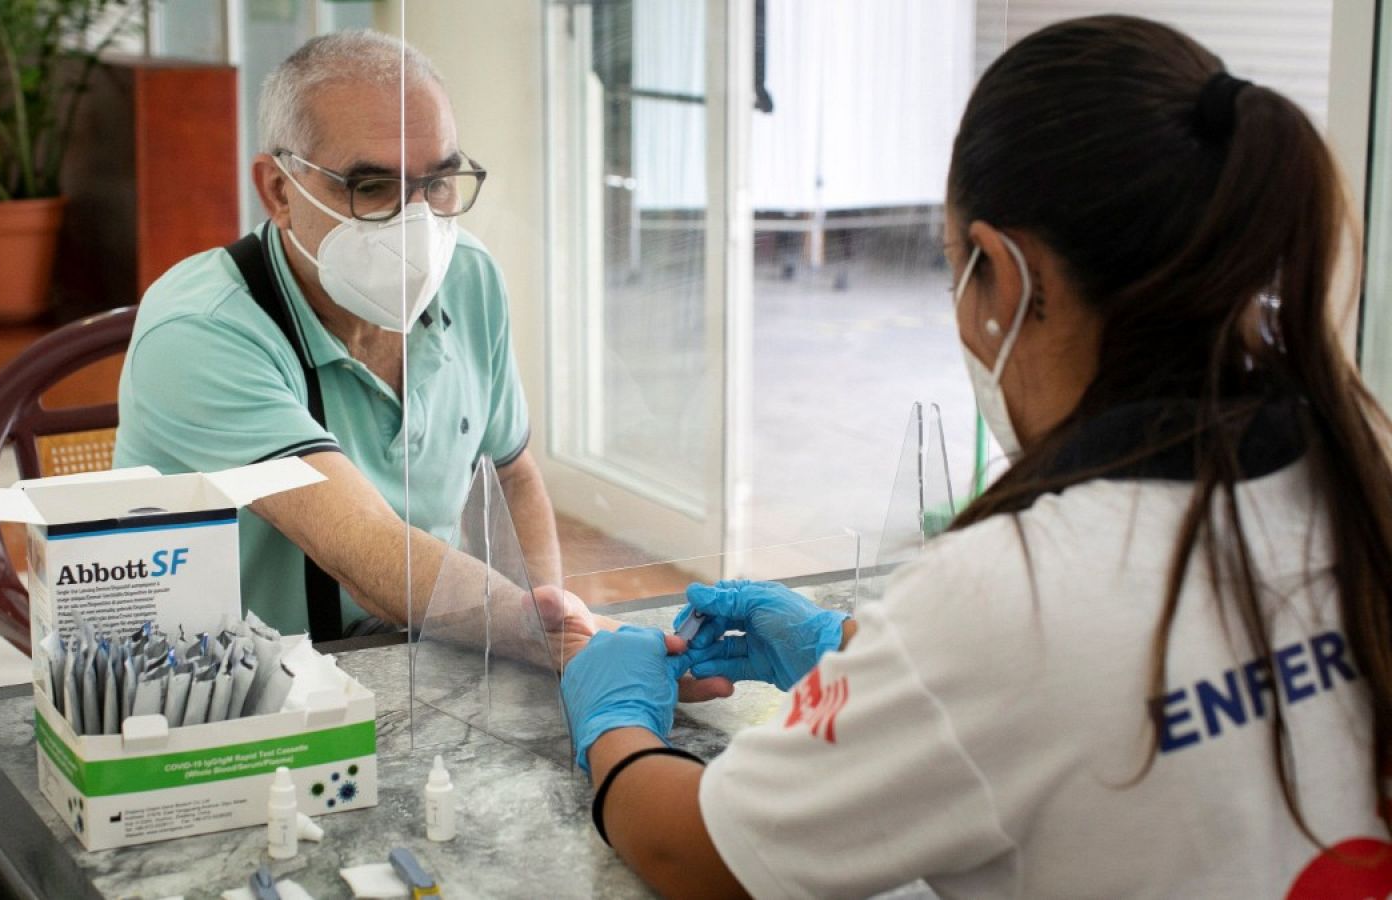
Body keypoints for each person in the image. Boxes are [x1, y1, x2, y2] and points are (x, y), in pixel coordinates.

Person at [561, 15, 1392, 898]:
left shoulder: (1014, 590)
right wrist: (850, 654)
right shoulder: (1357, 471)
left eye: (954, 265)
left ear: (1005, 270)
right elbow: (1065, 702)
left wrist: (615, 722)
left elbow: (698, 855)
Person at [114, 32, 578, 640]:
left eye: (438, 181)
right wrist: (551, 641)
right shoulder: (201, 330)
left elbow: (510, 474)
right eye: (371, 187)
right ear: (279, 190)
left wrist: (550, 626)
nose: (417, 223)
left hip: (426, 648)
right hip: (238, 693)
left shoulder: (469, 275)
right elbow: (363, 549)